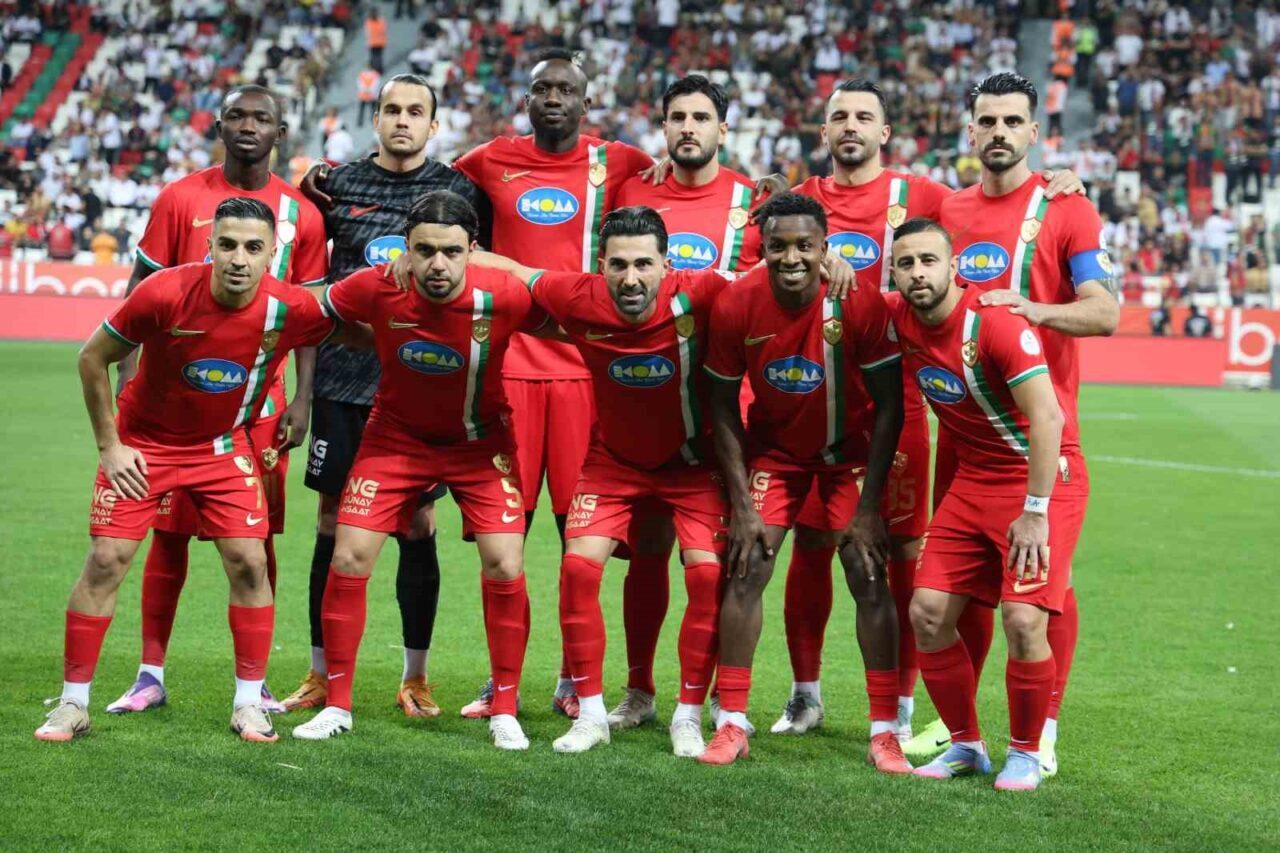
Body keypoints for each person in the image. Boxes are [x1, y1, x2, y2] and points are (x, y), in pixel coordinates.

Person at [34, 198, 350, 743]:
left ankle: (249, 704)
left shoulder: (290, 306)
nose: (238, 258)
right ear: (210, 247)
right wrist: (110, 446)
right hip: (143, 447)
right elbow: (92, 357)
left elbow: (362, 327)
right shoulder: (164, 291)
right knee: (106, 561)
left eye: (253, 248)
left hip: (221, 449)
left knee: (250, 563)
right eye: (227, 244)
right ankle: (72, 704)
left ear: (271, 255)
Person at [469, 206, 735, 757]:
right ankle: (591, 714)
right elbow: (517, 271)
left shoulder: (704, 291)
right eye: (618, 265)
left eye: (643, 264)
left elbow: (772, 283)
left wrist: (831, 264)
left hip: (692, 464)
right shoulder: (577, 295)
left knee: (707, 575)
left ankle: (687, 715)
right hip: (613, 460)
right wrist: (451, 255)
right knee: (578, 567)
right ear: (600, 265)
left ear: (667, 265)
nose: (631, 278)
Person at [289, 191, 547, 751]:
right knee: (348, 556)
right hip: (395, 440)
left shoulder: (503, 294)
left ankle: (505, 708)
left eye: (451, 252)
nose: (437, 264)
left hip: (480, 444)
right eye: (424, 250)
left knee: (505, 564)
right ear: (405, 249)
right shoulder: (379, 285)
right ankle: (337, 705)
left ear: (472, 250)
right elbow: (308, 309)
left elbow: (575, 318)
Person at [105, 86, 328, 717]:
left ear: (280, 131)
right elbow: (140, 289)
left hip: (260, 404)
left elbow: (310, 315)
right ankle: (150, 673)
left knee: (256, 544)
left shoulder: (303, 215)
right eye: (237, 116)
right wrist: (128, 374)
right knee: (168, 534)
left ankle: (252, 685)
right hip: (174, 406)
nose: (248, 126)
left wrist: (303, 399)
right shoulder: (180, 198)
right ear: (220, 126)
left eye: (262, 118)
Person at [450, 48, 654, 718]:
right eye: (544, 89)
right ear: (527, 99)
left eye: (567, 89)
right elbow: (428, 187)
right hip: (507, 367)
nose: (555, 99)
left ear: (585, 102)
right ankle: (500, 679)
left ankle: (574, 677)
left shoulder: (619, 162)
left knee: (579, 539)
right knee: (504, 534)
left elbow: (683, 184)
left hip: (583, 372)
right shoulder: (491, 159)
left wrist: (763, 188)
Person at [928, 72, 1118, 775]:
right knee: (953, 592)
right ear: (970, 131)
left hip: (1034, 434)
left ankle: (1044, 728)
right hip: (960, 437)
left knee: (1038, 593)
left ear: (1034, 132)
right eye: (988, 121)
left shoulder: (1067, 209)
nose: (999, 132)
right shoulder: (946, 207)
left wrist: (1035, 310)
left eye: (1013, 121)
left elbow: (1105, 310)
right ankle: (961, 732)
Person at [283, 73, 490, 719]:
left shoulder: (459, 191)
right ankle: (320, 673)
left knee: (418, 523)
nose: (403, 120)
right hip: (343, 384)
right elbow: (312, 283)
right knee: (330, 521)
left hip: (421, 390)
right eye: (392, 110)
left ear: (434, 124)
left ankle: (416, 676)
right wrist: (302, 391)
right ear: (375, 119)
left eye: (415, 111)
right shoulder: (336, 185)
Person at [699, 192, 907, 769]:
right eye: (778, 246)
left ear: (825, 247)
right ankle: (732, 720)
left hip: (849, 455)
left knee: (867, 570)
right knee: (747, 564)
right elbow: (721, 406)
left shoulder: (857, 300)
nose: (791, 258)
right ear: (761, 248)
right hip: (777, 455)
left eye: (804, 246)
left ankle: (884, 730)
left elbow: (890, 405)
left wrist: (869, 506)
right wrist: (742, 505)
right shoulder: (738, 302)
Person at [884, 217, 1087, 792]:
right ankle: (966, 745)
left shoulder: (993, 323)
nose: (918, 273)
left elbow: (1048, 418)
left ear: (954, 268)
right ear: (893, 273)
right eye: (906, 263)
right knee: (927, 614)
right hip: (973, 481)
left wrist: (1036, 510)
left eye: (929, 261)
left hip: (1041, 480)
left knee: (1022, 620)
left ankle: (1026, 753)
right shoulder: (898, 316)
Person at [606, 74, 761, 730]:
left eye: (701, 117)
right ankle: (639, 690)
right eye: (678, 117)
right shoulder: (632, 193)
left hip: (722, 405)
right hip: (646, 402)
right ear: (663, 125)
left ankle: (716, 694)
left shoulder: (753, 200)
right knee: (647, 549)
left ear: (723, 129)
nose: (688, 127)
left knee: (717, 558)